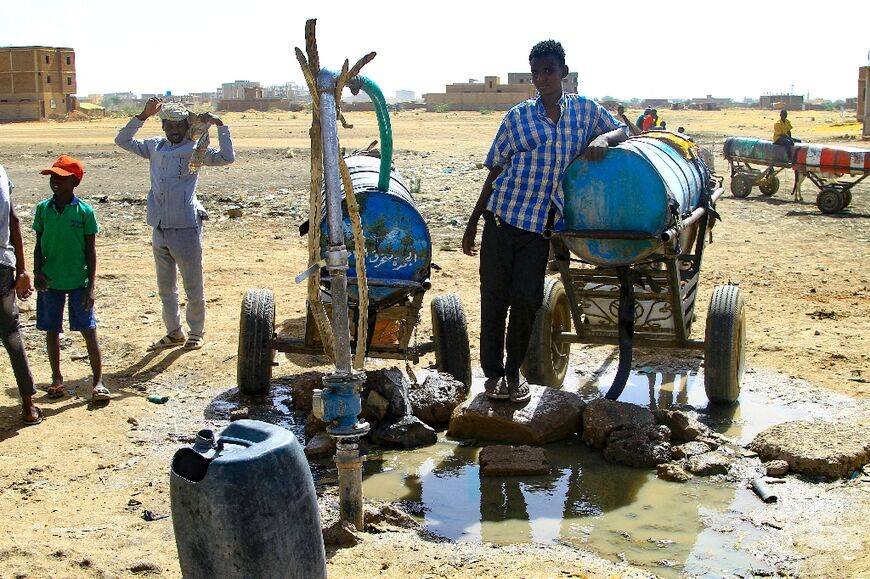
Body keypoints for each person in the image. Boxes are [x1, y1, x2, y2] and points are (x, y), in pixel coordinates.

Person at [462, 40, 628, 403]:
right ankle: (493, 377)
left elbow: (621, 130)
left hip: (539, 227)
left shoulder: (584, 112)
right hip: (501, 219)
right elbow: (494, 171)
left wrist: (601, 137)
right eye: (536, 72)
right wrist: (474, 222)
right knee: (494, 302)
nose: (542, 78)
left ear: (563, 73)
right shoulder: (518, 118)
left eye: (548, 70)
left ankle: (513, 372)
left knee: (526, 301)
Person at [115, 97, 235, 351]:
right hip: (159, 226)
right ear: (164, 127)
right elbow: (122, 141)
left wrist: (222, 127)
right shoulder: (154, 147)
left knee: (193, 284)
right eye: (169, 126)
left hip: (185, 226)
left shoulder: (196, 150)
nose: (175, 131)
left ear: (186, 125)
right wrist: (143, 115)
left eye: (179, 125)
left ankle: (196, 332)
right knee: (165, 288)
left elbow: (227, 157)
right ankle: (174, 332)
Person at [33, 155, 108, 402]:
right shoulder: (43, 209)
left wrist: (91, 287)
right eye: (53, 177)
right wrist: (37, 272)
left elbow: (90, 251)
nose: (55, 181)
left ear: (75, 182)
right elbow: (38, 243)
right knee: (52, 331)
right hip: (50, 281)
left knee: (88, 329)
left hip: (79, 281)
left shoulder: (84, 211)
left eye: (61, 178)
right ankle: (56, 379)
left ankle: (98, 382)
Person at [0, 164, 42, 424]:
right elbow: (14, 221)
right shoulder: (1, 172)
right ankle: (27, 407)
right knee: (11, 334)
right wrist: (23, 270)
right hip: (2, 264)